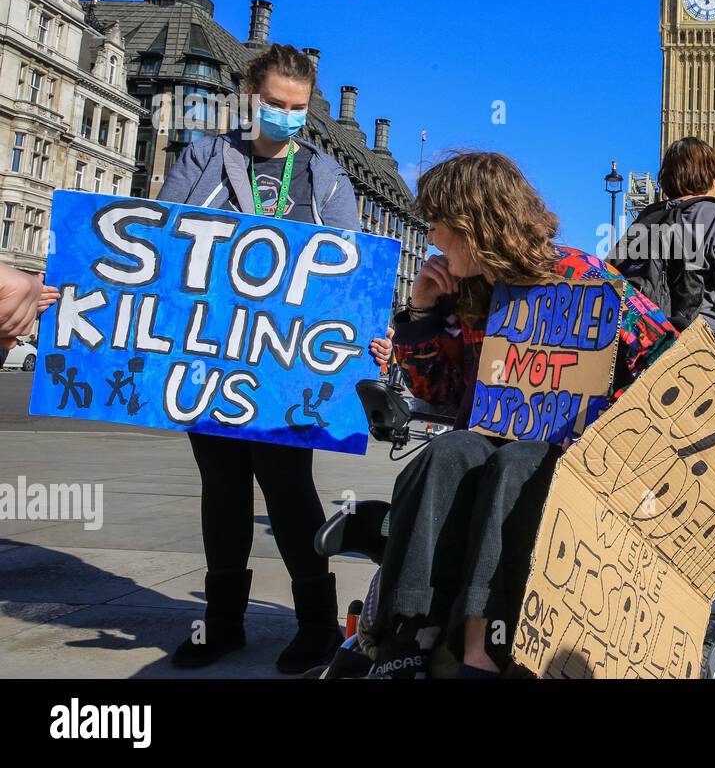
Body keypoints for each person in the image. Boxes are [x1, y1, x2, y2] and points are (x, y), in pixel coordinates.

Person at [367, 150, 679, 677]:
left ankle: (484, 639)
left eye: (438, 224)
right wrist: (420, 311)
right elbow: (438, 389)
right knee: (446, 452)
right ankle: (409, 625)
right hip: (486, 429)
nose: (432, 237)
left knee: (515, 467)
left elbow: (666, 359)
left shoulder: (582, 276)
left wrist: (608, 419)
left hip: (567, 444)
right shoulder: (463, 292)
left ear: (474, 224)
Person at [157, 43, 391, 673]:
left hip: (287, 365)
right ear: (249, 96)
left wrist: (368, 336)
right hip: (212, 354)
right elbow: (162, 241)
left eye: (298, 107)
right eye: (275, 105)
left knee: (287, 486)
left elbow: (350, 269)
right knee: (222, 486)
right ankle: (224, 624)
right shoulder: (207, 156)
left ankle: (315, 623)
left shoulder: (326, 176)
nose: (287, 117)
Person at [611, 136, 715, 391]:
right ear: (711, 177)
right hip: (705, 351)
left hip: (649, 350)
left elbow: (616, 279)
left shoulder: (646, 220)